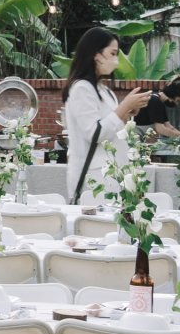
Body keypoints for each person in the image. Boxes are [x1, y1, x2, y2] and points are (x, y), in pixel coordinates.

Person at [63, 26, 152, 206]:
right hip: (94, 178)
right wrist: (124, 107)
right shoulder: (81, 88)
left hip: (112, 174)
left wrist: (128, 112)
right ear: (97, 55)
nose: (116, 60)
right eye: (112, 53)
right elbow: (95, 133)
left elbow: (112, 129)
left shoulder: (104, 91)